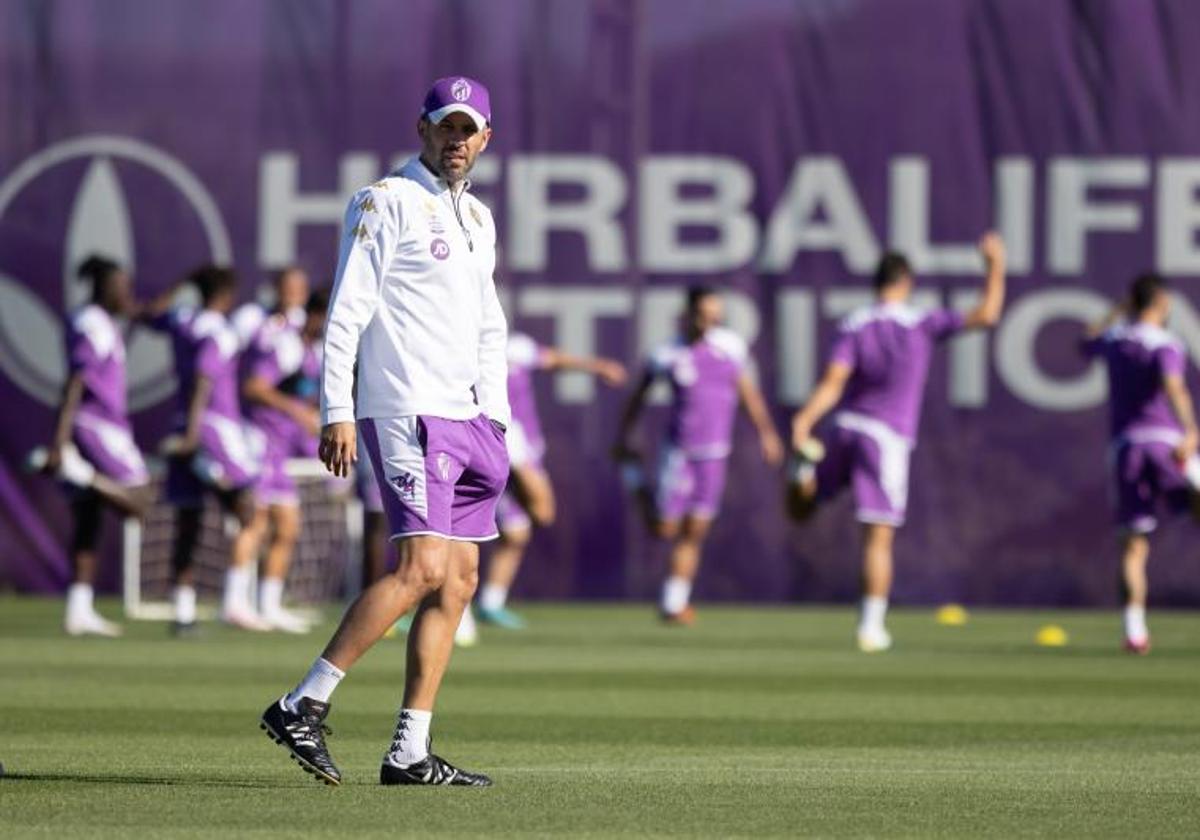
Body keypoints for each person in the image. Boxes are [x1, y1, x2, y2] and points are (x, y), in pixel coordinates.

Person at [261, 75, 508, 787]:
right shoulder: (384, 201)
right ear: (422, 129)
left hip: (470, 417)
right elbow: (347, 311)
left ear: (485, 138)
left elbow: (488, 324)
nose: (457, 140)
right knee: (422, 568)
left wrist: (497, 415)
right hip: (404, 407)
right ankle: (302, 700)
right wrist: (336, 408)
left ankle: (409, 750)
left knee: (458, 581)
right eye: (446, 126)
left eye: (469, 129)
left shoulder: (480, 219)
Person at [787, 233, 1006, 652]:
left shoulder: (855, 323)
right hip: (883, 437)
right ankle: (871, 626)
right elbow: (989, 314)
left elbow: (835, 381)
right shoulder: (920, 322)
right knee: (878, 536)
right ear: (906, 283)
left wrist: (805, 418)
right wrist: (995, 263)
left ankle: (802, 475)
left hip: (844, 427)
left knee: (804, 509)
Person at [613, 286, 784, 625]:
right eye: (705, 315)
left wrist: (767, 433)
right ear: (689, 314)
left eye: (716, 316)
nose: (711, 322)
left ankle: (674, 603)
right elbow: (638, 397)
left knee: (696, 529)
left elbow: (747, 392)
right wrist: (624, 434)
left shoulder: (730, 347)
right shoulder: (666, 354)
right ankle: (632, 474)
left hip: (715, 453)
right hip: (679, 452)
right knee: (664, 528)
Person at [33, 256, 163, 636]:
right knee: (139, 501)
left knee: (87, 519)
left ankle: (79, 608)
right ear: (103, 288)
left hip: (97, 424)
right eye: (121, 286)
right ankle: (81, 471)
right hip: (98, 425)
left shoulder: (103, 322)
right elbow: (76, 379)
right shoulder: (91, 323)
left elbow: (145, 310)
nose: (127, 293)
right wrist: (60, 440)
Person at [1081, 273, 1200, 654]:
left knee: (1133, 546)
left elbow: (1086, 339)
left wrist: (1118, 310)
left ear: (1132, 304)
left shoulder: (1116, 340)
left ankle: (1134, 631)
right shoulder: (1165, 343)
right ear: (1162, 304)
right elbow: (1173, 386)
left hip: (1127, 448)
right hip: (1168, 445)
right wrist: (1191, 430)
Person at [481, 333, 627, 628]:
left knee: (516, 533)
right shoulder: (460, 346)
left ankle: (489, 603)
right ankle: (454, 603)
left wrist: (598, 366)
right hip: (502, 438)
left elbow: (554, 360)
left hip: (525, 444)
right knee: (541, 511)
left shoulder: (515, 347)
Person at [152, 265, 267, 633]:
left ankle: (183, 613)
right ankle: (234, 601)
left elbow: (149, 314)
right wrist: (195, 436)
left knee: (189, 521)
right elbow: (205, 377)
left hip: (183, 425)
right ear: (227, 295)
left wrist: (178, 284)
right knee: (250, 510)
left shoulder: (183, 320)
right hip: (213, 430)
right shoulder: (221, 331)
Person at [240, 289, 329, 633]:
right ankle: (235, 601)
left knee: (288, 527)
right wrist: (294, 410)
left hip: (282, 452)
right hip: (261, 443)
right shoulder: (287, 346)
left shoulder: (311, 352)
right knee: (256, 523)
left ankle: (269, 604)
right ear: (317, 315)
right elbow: (255, 387)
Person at [231, 266, 310, 351]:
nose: (292, 294)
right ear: (277, 288)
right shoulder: (252, 316)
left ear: (305, 293)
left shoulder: (311, 325)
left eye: (297, 290)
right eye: (288, 288)